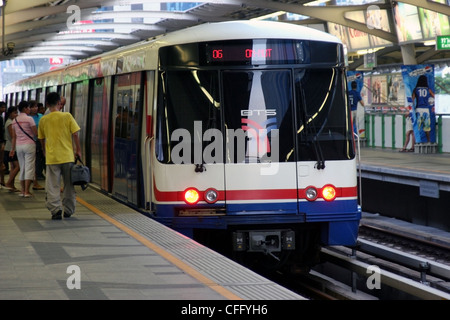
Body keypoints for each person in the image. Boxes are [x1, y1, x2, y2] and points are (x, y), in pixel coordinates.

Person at [38, 92, 81, 220]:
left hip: (52, 157)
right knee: (69, 184)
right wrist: (78, 150)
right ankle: (68, 210)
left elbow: (41, 138)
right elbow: (75, 134)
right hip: (67, 156)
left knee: (52, 184)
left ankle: (55, 209)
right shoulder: (67, 116)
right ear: (58, 103)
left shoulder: (43, 119)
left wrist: (44, 151)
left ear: (47, 104)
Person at [9, 101, 37, 197]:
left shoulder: (14, 121)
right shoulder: (29, 119)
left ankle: (22, 190)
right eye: (29, 108)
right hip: (29, 145)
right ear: (25, 108)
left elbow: (14, 137)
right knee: (29, 167)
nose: (30, 109)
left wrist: (12, 150)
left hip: (18, 146)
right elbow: (35, 133)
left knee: (22, 166)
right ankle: (26, 191)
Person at [411, 75, 435, 143]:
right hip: (426, 110)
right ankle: (428, 141)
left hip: (418, 109)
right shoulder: (428, 89)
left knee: (417, 127)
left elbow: (412, 100)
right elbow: (434, 96)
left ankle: (417, 142)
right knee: (427, 127)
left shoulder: (416, 89)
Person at [29, 100, 46, 186]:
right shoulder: (27, 117)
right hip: (30, 141)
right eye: (33, 107)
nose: (35, 108)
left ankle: (38, 174)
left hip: (40, 141)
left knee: (40, 158)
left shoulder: (41, 116)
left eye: (36, 107)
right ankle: (33, 178)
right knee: (32, 161)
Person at [4, 106, 20, 191]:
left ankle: (12, 185)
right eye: (15, 113)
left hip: (11, 147)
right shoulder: (10, 123)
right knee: (18, 166)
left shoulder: (11, 122)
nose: (16, 114)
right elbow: (12, 135)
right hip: (11, 147)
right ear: (10, 113)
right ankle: (9, 182)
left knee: (14, 167)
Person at [0, 101, 6, 187]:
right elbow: (1, 131)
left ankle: (2, 180)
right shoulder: (0, 118)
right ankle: (2, 180)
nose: (4, 109)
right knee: (1, 162)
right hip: (0, 142)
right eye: (2, 107)